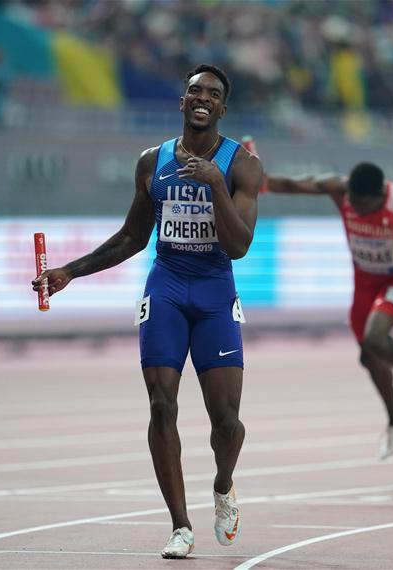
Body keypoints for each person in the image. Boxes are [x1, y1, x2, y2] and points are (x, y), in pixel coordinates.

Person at [33, 64, 263, 559]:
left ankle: (223, 486)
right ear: (182, 103)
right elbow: (133, 237)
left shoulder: (241, 165)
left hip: (215, 292)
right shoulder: (150, 162)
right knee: (162, 404)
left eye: (213, 94)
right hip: (166, 288)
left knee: (226, 421)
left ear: (223, 109)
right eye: (194, 91)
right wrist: (70, 271)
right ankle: (180, 526)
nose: (202, 98)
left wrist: (215, 185)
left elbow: (240, 246)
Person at [264, 163, 393, 459]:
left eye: (362, 205)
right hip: (364, 288)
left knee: (376, 338)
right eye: (351, 200)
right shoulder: (339, 188)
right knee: (368, 358)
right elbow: (289, 184)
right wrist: (258, 178)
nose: (354, 207)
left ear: (380, 196)